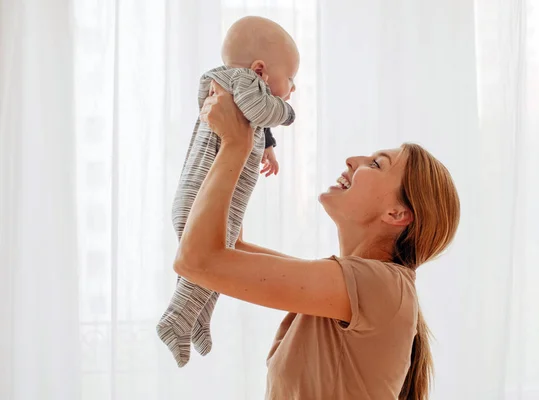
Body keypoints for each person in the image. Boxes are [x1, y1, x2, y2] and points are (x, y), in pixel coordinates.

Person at [175, 82, 461, 399]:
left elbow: (196, 260)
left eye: (377, 163)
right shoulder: (351, 287)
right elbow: (225, 245)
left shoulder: (381, 286)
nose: (353, 159)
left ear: (397, 214)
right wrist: (244, 128)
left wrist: (235, 144)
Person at [156, 16, 299, 367]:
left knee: (223, 258)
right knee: (213, 257)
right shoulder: (242, 79)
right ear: (261, 70)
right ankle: (176, 319)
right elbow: (260, 110)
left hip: (205, 196)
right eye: (291, 80)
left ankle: (199, 317)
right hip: (205, 198)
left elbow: (249, 120)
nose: (293, 89)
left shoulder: (232, 87)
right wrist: (288, 112)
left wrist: (267, 146)